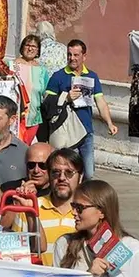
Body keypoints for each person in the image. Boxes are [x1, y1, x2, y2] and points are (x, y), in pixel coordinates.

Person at [45, 39, 118, 180]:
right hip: (67, 132)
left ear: (84, 56)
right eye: (69, 54)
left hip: (86, 131)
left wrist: (110, 123)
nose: (72, 58)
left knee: (89, 174)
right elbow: (47, 103)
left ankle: (82, 197)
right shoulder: (58, 76)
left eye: (76, 55)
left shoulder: (92, 76)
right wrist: (66, 98)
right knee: (69, 173)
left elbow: (101, 102)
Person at [13, 148, 83, 263]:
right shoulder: (28, 208)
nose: (61, 178)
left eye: (69, 172)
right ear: (49, 176)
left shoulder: (88, 213)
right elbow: (15, 255)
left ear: (80, 176)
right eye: (56, 172)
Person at [8, 35, 50, 143]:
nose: (30, 48)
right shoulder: (11, 65)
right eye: (27, 45)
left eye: (34, 46)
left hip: (34, 118)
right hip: (14, 117)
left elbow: (46, 94)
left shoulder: (42, 71)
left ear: (38, 50)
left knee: (26, 148)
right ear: (22, 47)